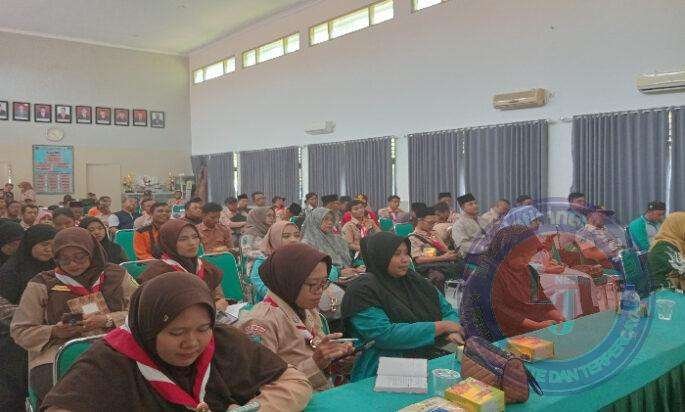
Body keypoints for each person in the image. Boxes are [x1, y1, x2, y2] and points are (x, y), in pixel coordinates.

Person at [41, 272, 313, 412]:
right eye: (176, 333)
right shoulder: (111, 359)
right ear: (149, 329)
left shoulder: (224, 341)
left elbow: (295, 382)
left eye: (202, 328)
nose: (192, 343)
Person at [11, 227, 137, 403]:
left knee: (130, 386)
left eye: (79, 257)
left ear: (91, 252)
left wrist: (108, 320)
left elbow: (141, 313)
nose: (72, 264)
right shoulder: (42, 284)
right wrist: (54, 331)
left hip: (114, 342)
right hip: (58, 350)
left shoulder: (116, 275)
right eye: (64, 259)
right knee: (62, 391)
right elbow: (20, 330)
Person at [341, 232, 464, 381]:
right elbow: (385, 335)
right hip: (383, 369)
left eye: (406, 253)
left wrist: (453, 332)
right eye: (396, 254)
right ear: (381, 256)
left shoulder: (415, 281)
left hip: (431, 357)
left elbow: (447, 310)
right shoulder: (363, 290)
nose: (405, 259)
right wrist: (442, 327)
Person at [239, 243, 355, 391]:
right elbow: (262, 386)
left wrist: (335, 362)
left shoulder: (306, 308)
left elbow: (314, 352)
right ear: (289, 281)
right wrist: (315, 364)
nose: (320, 291)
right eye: (313, 284)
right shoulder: (261, 322)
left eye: (324, 283)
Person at [460, 225, 565, 341]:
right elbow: (500, 312)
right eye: (522, 256)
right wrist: (536, 326)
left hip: (523, 326)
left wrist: (555, 313)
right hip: (492, 331)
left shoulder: (529, 271)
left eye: (530, 255)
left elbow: (539, 297)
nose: (526, 261)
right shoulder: (485, 276)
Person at [0, 224, 55, 411]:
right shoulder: (11, 270)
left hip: (51, 331)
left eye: (53, 245)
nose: (49, 249)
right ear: (30, 244)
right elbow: (4, 308)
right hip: (15, 334)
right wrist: (35, 316)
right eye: (44, 244)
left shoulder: (57, 268)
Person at [139, 220, 229, 311]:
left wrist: (220, 302)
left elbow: (218, 297)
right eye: (183, 239)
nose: (192, 243)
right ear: (168, 243)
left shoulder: (206, 268)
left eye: (195, 237)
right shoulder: (157, 274)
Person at [409, 207, 464, 292]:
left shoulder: (434, 233)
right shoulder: (413, 238)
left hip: (442, 264)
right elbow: (419, 260)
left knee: (468, 268)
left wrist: (450, 253)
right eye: (430, 222)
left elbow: (445, 250)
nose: (432, 225)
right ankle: (439, 299)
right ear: (420, 221)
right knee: (438, 277)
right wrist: (443, 258)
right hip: (427, 268)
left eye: (434, 222)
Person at [250, 221, 302, 302]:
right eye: (286, 236)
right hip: (270, 306)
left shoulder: (302, 259)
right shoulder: (263, 263)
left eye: (297, 235)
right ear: (274, 239)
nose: (293, 239)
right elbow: (264, 290)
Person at [302, 208, 363, 275]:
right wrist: (338, 273)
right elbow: (312, 270)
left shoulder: (338, 240)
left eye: (331, 220)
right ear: (315, 220)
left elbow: (350, 261)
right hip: (326, 279)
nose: (330, 222)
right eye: (325, 219)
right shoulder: (307, 244)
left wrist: (357, 266)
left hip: (349, 275)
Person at [648, 212, 685, 291]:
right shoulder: (663, 248)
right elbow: (682, 270)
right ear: (676, 227)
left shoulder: (676, 245)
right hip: (665, 293)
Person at [240, 206, 276, 282]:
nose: (272, 218)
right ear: (259, 216)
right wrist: (265, 255)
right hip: (254, 266)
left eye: (273, 216)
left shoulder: (270, 231)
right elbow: (246, 252)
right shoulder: (249, 233)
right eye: (269, 215)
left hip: (270, 263)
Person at [451, 193, 489, 259]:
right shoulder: (459, 224)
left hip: (489, 253)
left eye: (475, 203)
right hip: (471, 256)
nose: (475, 206)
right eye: (470, 204)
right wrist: (484, 248)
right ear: (463, 207)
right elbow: (463, 245)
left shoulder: (483, 220)